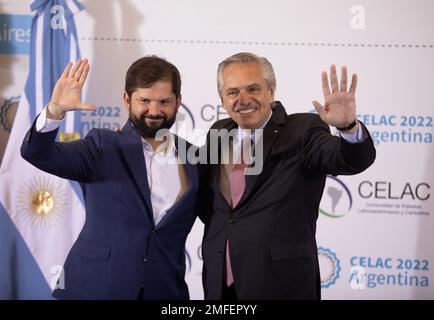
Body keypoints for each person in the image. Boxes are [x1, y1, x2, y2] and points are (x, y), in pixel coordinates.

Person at [199, 52, 376, 300]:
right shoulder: (219, 131)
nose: (243, 99)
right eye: (233, 92)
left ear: (271, 91)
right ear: (222, 98)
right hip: (220, 283)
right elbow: (208, 199)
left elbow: (348, 160)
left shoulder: (303, 130)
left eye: (253, 89)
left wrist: (347, 128)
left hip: (280, 282)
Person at [21, 56, 199, 299]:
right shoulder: (102, 146)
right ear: (127, 99)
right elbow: (37, 153)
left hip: (166, 290)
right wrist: (54, 112)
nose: (154, 110)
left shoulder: (196, 158)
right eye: (144, 100)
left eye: (164, 101)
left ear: (178, 102)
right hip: (94, 287)